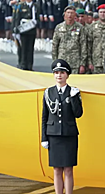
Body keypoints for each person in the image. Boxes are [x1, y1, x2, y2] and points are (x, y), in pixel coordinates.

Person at [41, 59, 83, 194]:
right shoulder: (48, 92)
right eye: (56, 73)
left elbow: (78, 114)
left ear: (67, 75)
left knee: (69, 169)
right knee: (56, 169)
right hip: (53, 135)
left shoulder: (74, 91)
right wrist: (44, 137)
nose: (59, 75)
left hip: (69, 135)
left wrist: (73, 99)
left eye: (62, 73)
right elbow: (44, 116)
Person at [52, 6, 87, 74]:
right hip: (62, 60)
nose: (70, 15)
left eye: (72, 13)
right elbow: (55, 45)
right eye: (68, 13)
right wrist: (55, 61)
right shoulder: (59, 27)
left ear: (75, 15)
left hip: (75, 62)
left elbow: (83, 46)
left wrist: (82, 64)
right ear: (64, 14)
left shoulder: (80, 28)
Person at [12, 0, 38, 70]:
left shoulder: (35, 6)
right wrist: (15, 29)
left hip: (32, 30)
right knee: (23, 48)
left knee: (30, 48)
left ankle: (29, 65)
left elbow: (37, 18)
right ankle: (23, 64)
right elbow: (17, 18)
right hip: (23, 30)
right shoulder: (21, 6)